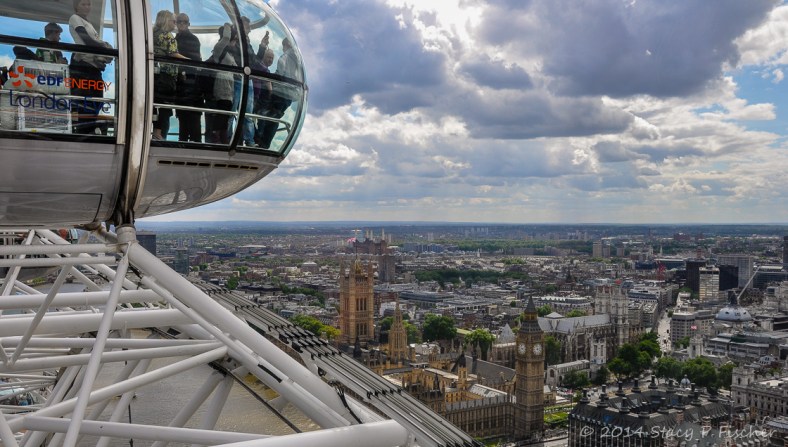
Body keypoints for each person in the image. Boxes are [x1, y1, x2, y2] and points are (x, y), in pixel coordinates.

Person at [69, 0, 112, 134]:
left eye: (89, 4)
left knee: (96, 100)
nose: (87, 6)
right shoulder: (75, 18)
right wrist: (105, 47)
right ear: (77, 7)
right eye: (83, 4)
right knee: (86, 102)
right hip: (83, 66)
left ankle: (88, 130)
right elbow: (85, 38)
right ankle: (84, 132)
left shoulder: (89, 23)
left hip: (93, 67)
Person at [257, 38, 300, 149]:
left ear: (286, 44)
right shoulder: (297, 59)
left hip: (280, 93)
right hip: (290, 96)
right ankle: (263, 142)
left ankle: (262, 142)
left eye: (283, 46)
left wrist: (272, 82)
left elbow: (281, 74)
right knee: (274, 117)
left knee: (268, 116)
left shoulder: (285, 57)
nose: (282, 48)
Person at [152, 10, 188, 140]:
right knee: (165, 108)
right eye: (173, 21)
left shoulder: (152, 34)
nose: (175, 23)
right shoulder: (168, 36)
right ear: (167, 21)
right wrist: (189, 61)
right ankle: (159, 133)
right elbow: (173, 54)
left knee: (155, 104)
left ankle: (154, 131)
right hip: (166, 76)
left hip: (154, 75)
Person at [205, 24, 237, 144]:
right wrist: (228, 27)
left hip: (229, 85)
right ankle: (217, 137)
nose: (235, 41)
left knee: (226, 112)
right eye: (235, 39)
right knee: (222, 110)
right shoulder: (219, 48)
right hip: (221, 83)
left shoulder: (230, 53)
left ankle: (222, 137)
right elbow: (225, 39)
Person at [174, 13, 202, 142]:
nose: (182, 24)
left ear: (188, 24)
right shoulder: (177, 38)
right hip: (183, 86)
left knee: (193, 124)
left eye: (184, 22)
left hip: (191, 85)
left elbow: (194, 60)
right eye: (179, 22)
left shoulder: (191, 39)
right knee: (184, 122)